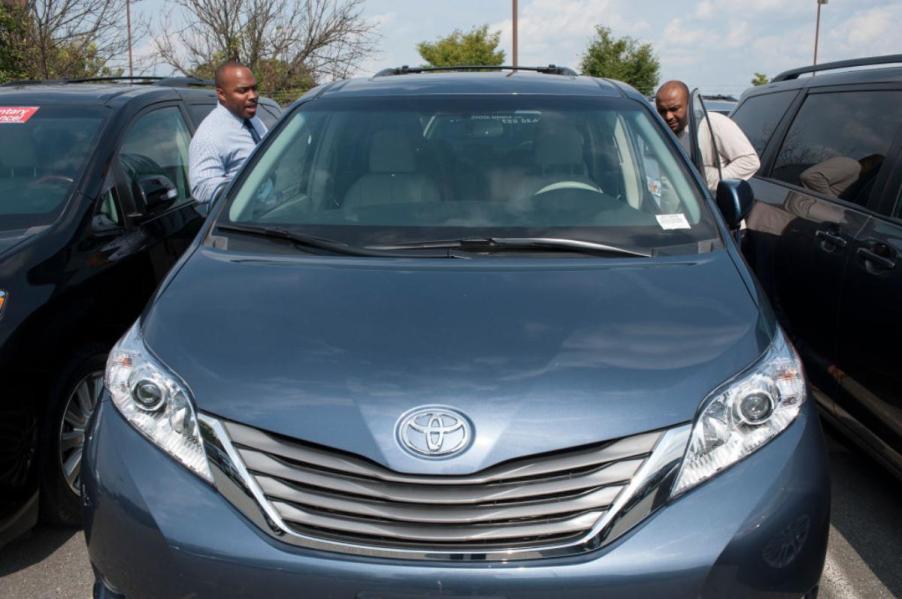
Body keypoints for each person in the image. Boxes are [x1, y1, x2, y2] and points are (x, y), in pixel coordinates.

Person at [655, 80, 760, 191]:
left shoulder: (713, 123)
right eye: (662, 111)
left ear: (688, 105)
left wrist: (712, 181)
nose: (668, 116)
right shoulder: (661, 132)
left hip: (707, 205)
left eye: (674, 109)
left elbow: (750, 161)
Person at [189, 61, 267, 205]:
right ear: (221, 94)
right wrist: (242, 191)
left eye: (254, 89)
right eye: (243, 91)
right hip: (244, 222)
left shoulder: (255, 121)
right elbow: (201, 186)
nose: (253, 96)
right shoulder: (210, 135)